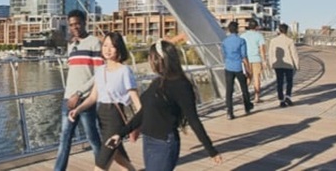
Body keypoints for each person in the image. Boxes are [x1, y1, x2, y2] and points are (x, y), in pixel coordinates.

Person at [106, 40, 222, 170]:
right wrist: (120, 134)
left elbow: (193, 120)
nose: (149, 60)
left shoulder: (181, 85)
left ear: (160, 59)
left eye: (151, 57)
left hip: (164, 143)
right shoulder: (157, 82)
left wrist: (211, 150)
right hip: (149, 140)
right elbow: (143, 113)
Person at [69, 31, 141, 171]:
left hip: (115, 119)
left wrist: (138, 125)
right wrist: (77, 110)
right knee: (118, 156)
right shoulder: (100, 70)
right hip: (101, 117)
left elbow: (136, 101)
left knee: (101, 165)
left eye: (112, 46)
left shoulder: (124, 71)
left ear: (119, 49)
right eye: (105, 45)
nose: (107, 49)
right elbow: (93, 97)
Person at [54, 9, 103, 171]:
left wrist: (79, 93)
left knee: (92, 138)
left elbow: (99, 74)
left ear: (84, 22)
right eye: (71, 25)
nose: (74, 27)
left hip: (85, 99)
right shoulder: (71, 45)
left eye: (77, 23)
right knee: (64, 139)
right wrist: (71, 95)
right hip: (68, 99)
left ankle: (101, 168)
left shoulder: (94, 42)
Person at [221, 21, 254, 120]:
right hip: (239, 67)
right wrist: (248, 69)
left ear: (229, 30)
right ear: (237, 29)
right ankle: (247, 106)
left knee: (229, 90)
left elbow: (224, 55)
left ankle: (229, 112)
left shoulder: (224, 42)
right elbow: (244, 56)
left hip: (228, 67)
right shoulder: (241, 41)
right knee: (244, 88)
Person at [268, 23, 300, 108]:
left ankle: (281, 100)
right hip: (288, 64)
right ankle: (288, 97)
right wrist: (297, 65)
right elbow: (294, 54)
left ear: (279, 30)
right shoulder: (290, 41)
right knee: (289, 81)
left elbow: (270, 53)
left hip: (277, 64)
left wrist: (271, 63)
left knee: (280, 82)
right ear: (287, 31)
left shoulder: (273, 41)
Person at [240, 20, 267, 103]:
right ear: (256, 27)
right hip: (256, 59)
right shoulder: (259, 36)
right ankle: (256, 97)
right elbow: (262, 49)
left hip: (246, 60)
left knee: (248, 78)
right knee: (257, 79)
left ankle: (244, 95)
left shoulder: (242, 35)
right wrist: (264, 60)